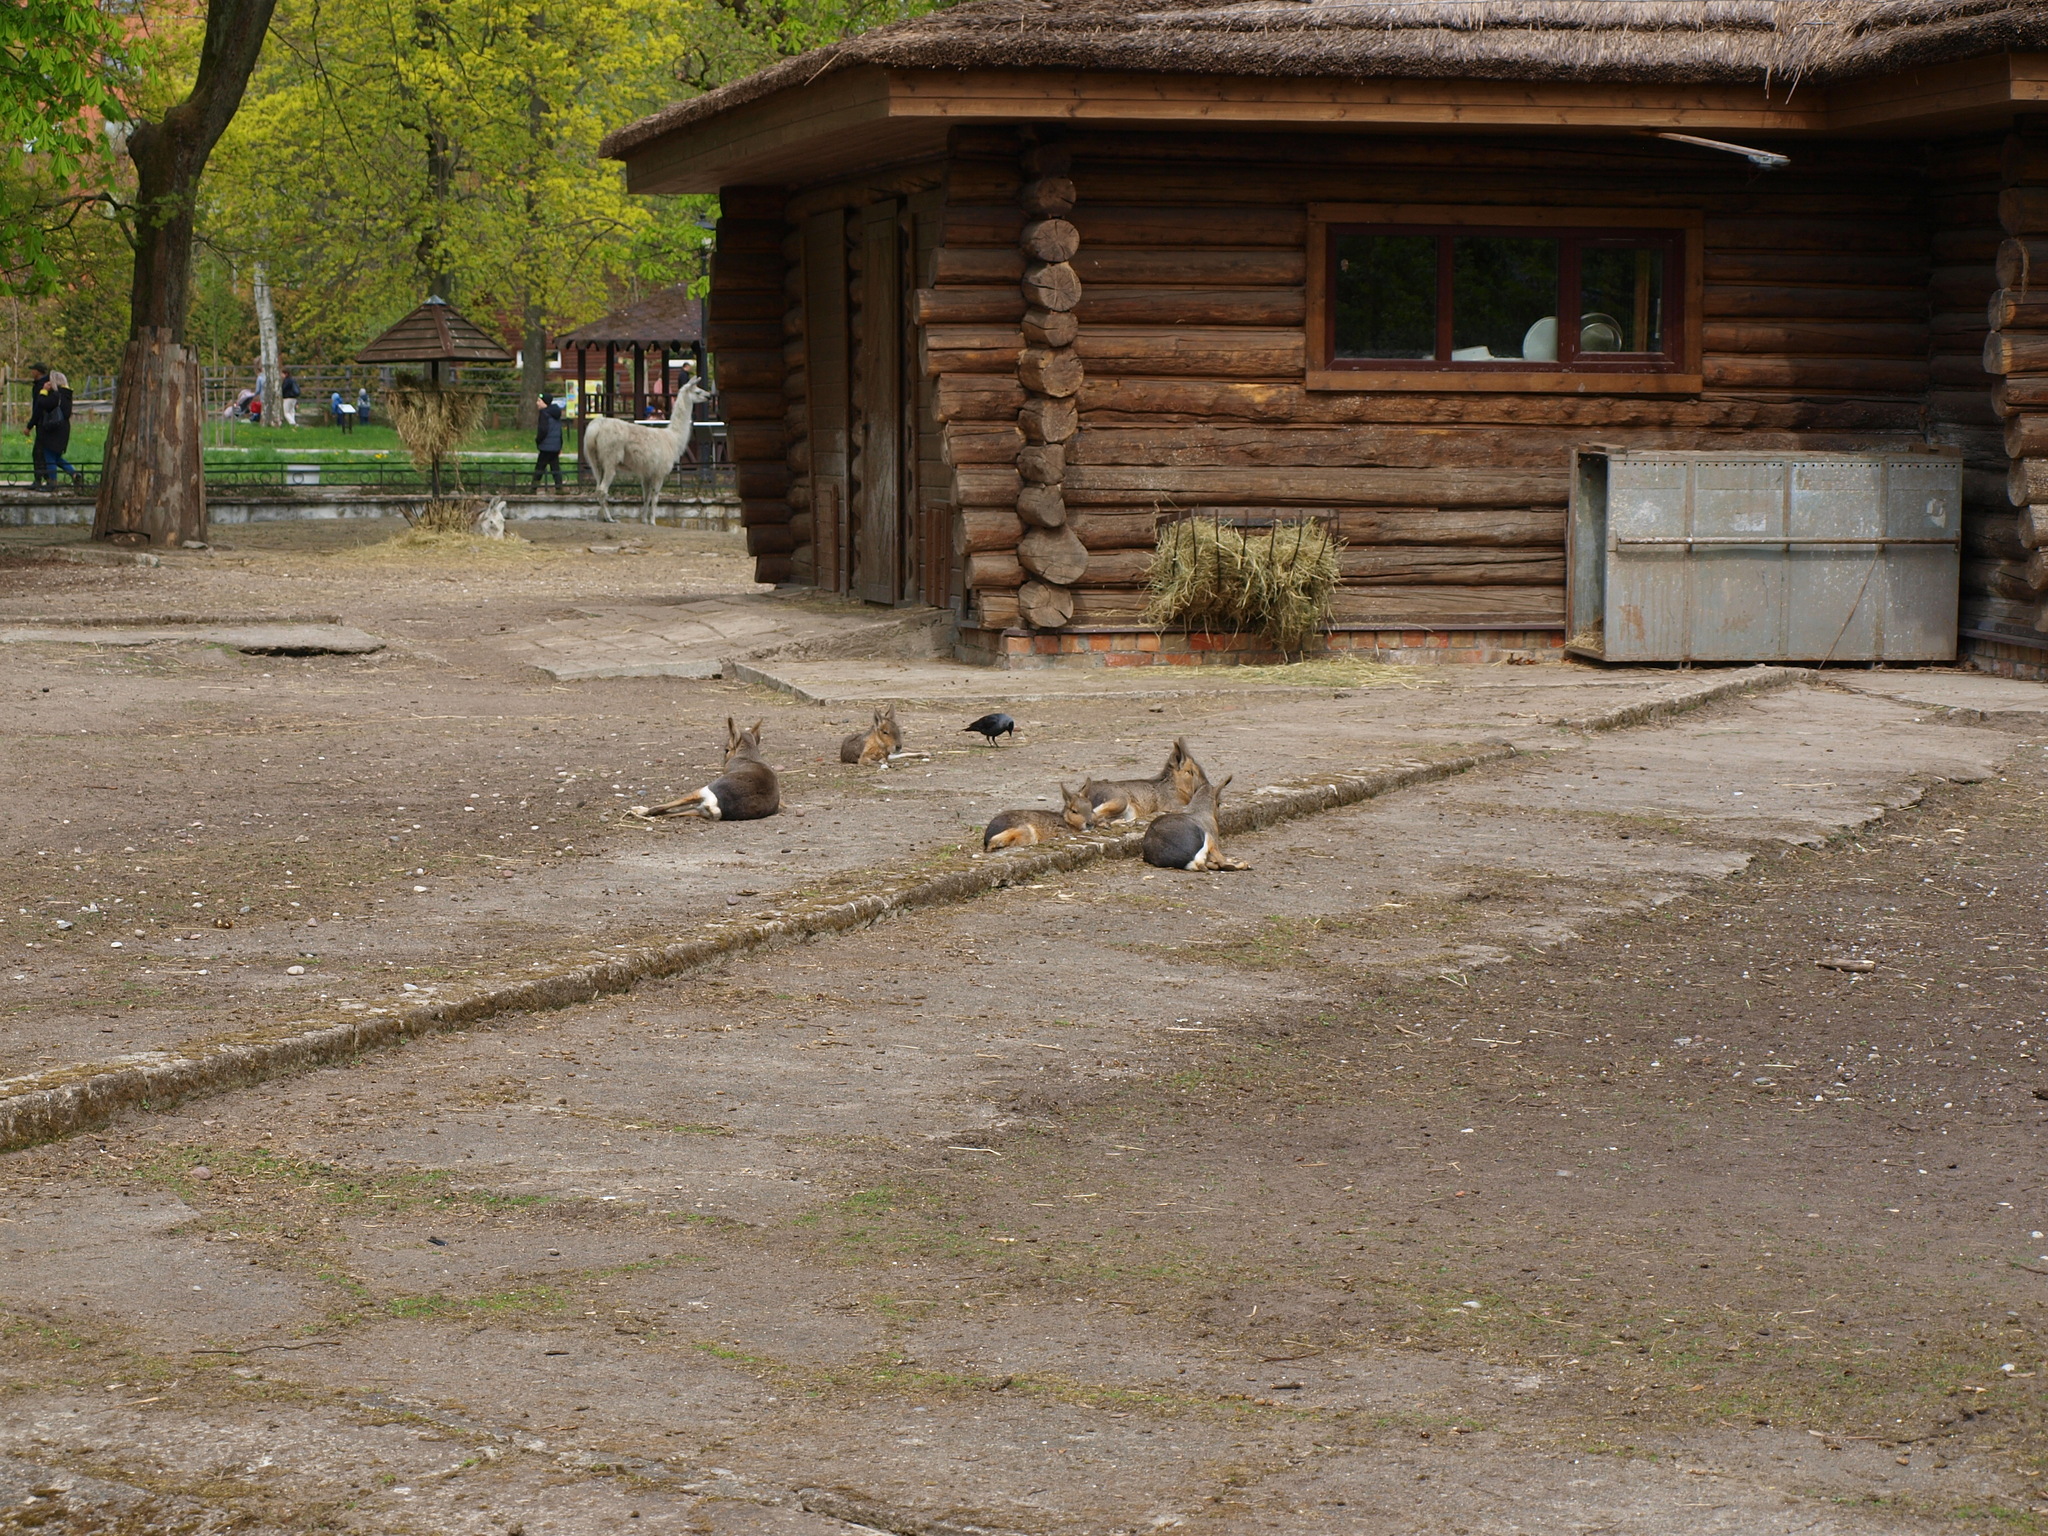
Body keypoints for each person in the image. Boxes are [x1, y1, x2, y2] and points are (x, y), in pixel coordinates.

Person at [24, 364, 80, 490]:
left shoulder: (56, 395)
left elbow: (42, 403)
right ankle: (74, 474)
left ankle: (52, 483)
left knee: (48, 455)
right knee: (55, 456)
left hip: (53, 430)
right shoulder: (67, 395)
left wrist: (43, 390)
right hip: (64, 429)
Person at [532, 392, 565, 490]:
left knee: (539, 468)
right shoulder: (556, 413)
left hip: (545, 446)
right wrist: (559, 445)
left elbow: (543, 430)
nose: (537, 403)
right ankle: (559, 488)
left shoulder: (544, 413)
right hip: (555, 446)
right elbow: (559, 431)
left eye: (539, 401)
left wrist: (538, 441)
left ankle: (533, 488)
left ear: (544, 403)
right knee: (555, 468)